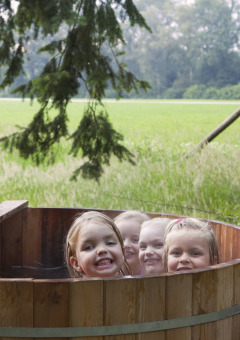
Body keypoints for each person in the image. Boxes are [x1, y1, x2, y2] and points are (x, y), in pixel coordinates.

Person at [65, 211, 131, 278]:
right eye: (89, 247)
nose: (102, 249)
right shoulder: (71, 288)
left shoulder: (134, 286)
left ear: (123, 252)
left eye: (110, 243)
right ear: (76, 263)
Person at [114, 210, 150, 275]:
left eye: (135, 240)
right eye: (121, 239)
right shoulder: (108, 271)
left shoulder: (150, 273)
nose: (126, 244)